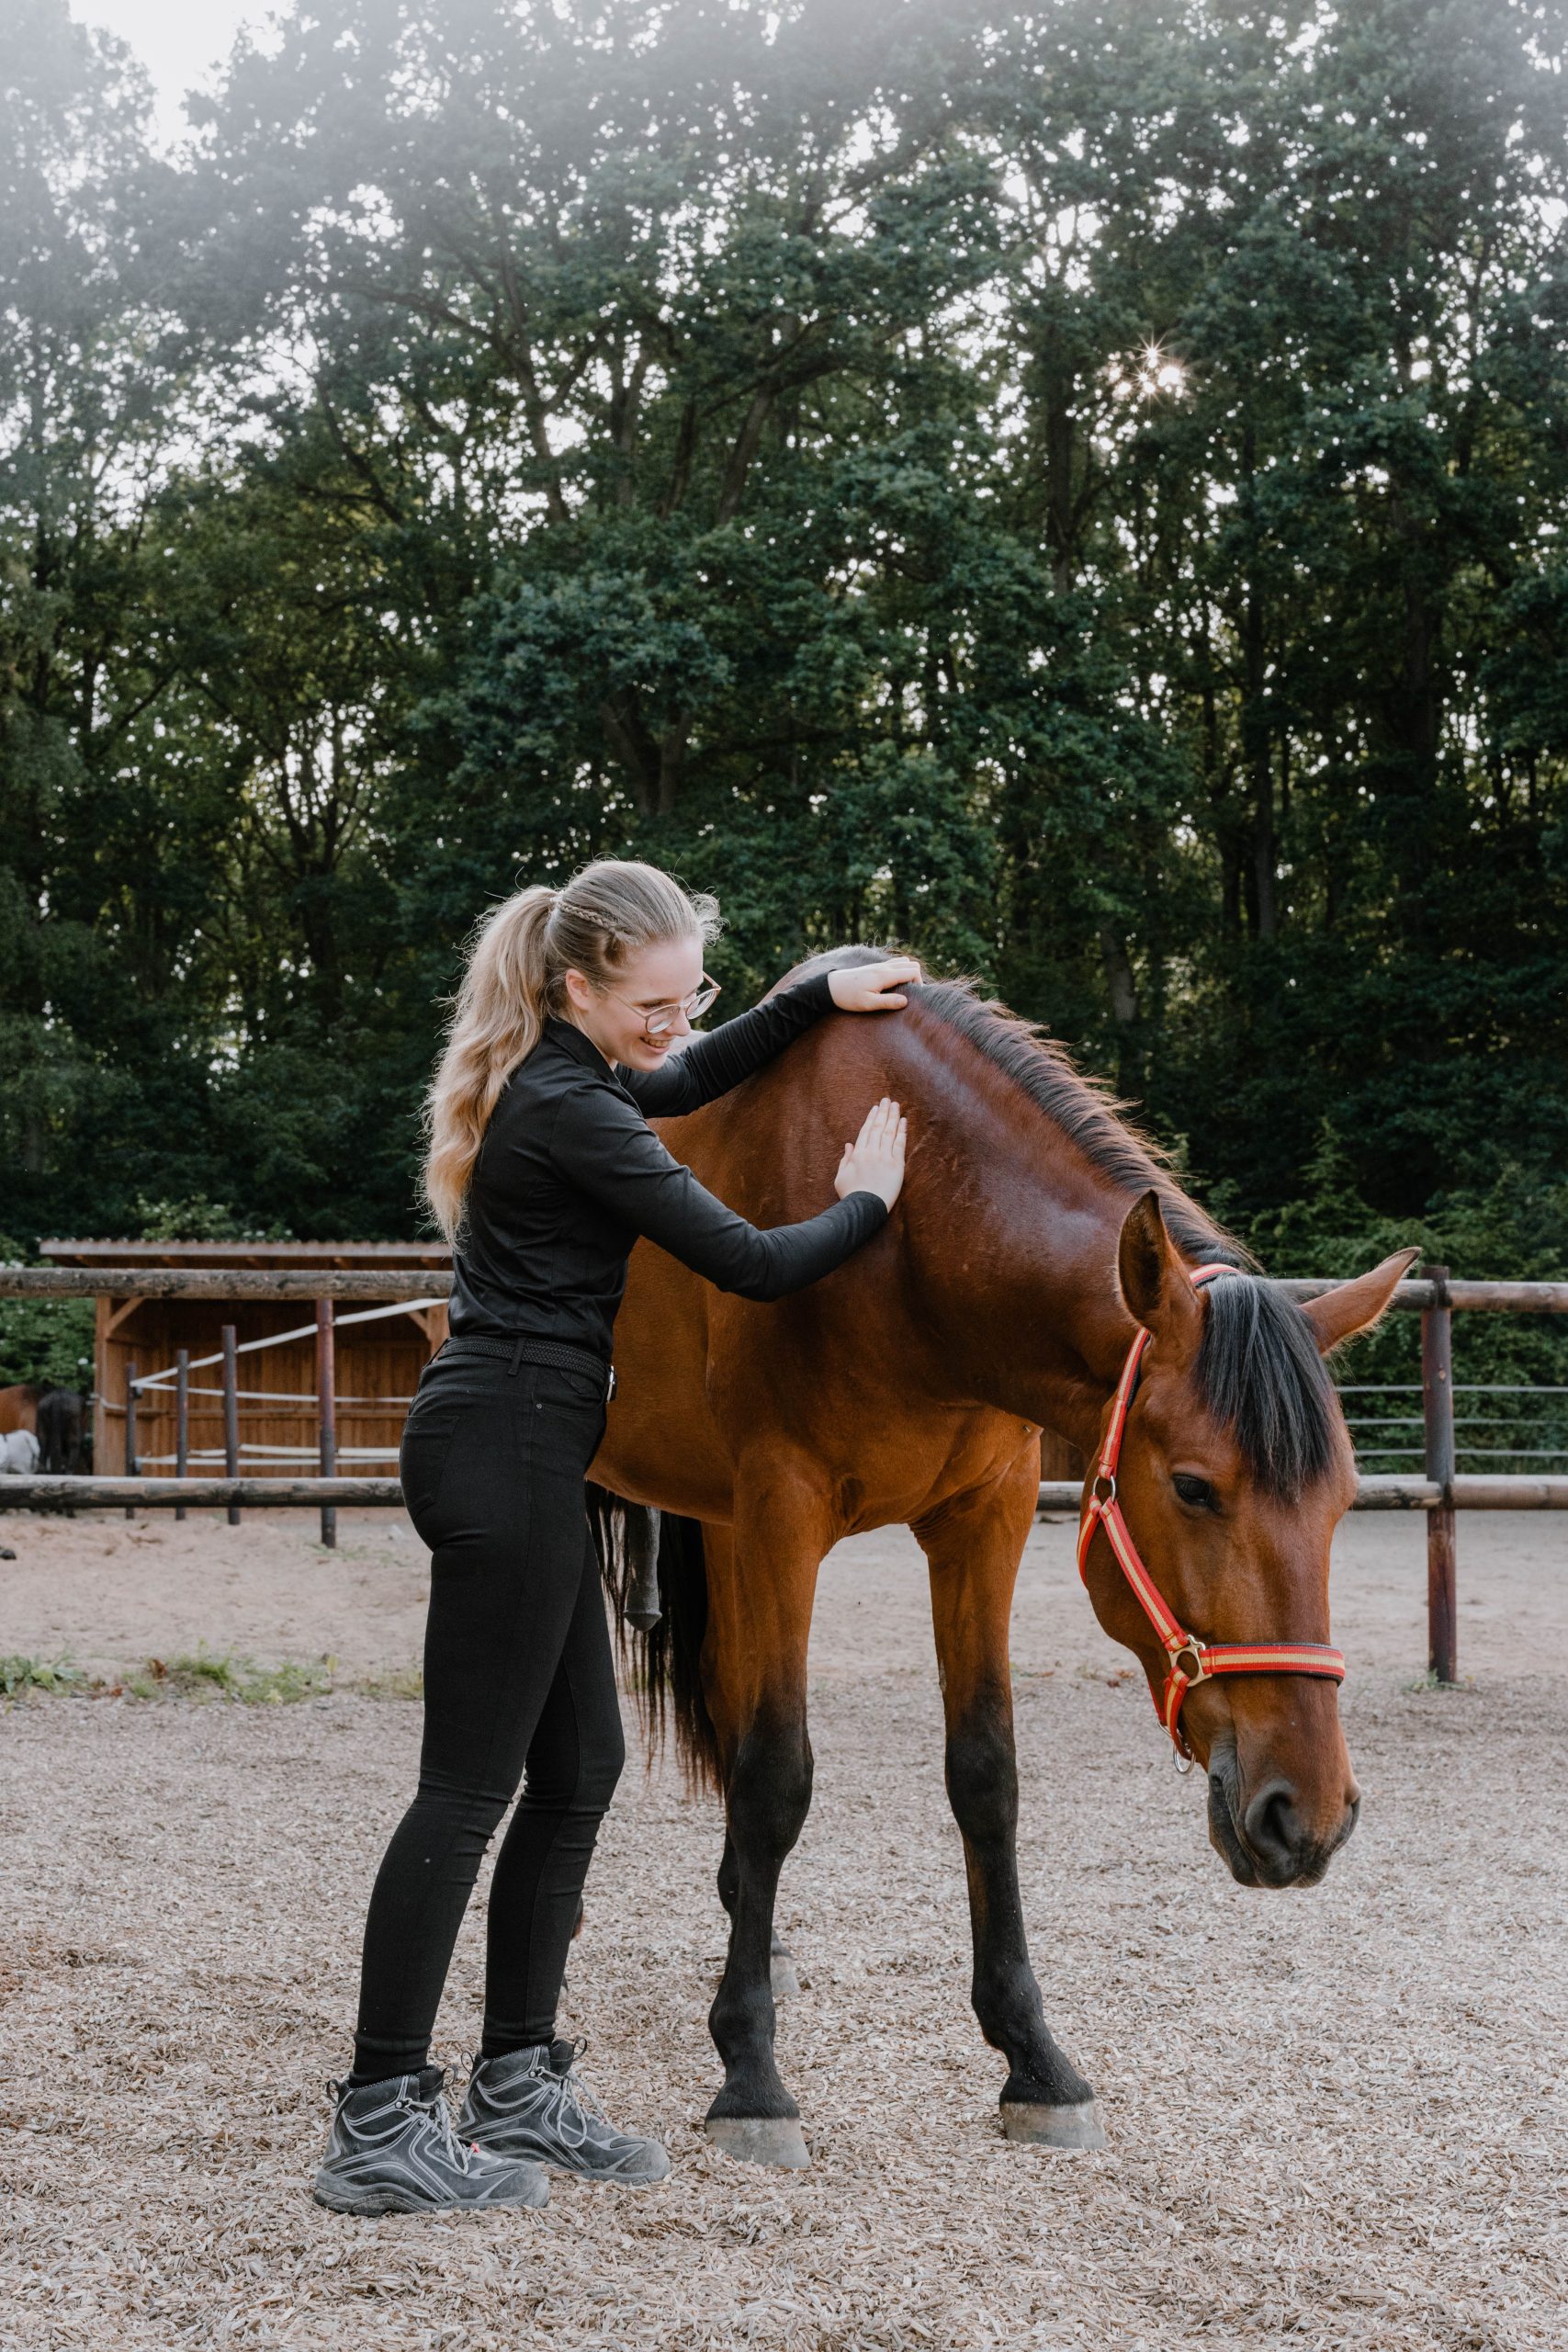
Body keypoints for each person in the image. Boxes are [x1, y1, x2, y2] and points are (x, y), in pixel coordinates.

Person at [314, 859, 914, 2214]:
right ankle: (377, 2118)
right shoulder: (569, 1109)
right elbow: (753, 1264)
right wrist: (869, 1203)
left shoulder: (578, 1071)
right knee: (465, 1791)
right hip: (507, 1449)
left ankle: (517, 2078)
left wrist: (811, 992)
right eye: (655, 998)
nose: (678, 1017)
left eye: (692, 987)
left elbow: (692, 1073)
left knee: (580, 1763)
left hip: (533, 1445)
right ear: (578, 987)